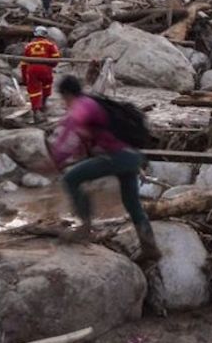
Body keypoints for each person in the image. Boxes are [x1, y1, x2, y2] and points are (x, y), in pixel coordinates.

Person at [50, 76, 161, 262]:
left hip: (118, 157)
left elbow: (72, 125)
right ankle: (150, 247)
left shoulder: (83, 105)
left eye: (63, 98)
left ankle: (85, 227)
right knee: (132, 203)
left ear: (67, 94)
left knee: (71, 178)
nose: (63, 103)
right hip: (132, 157)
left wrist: (57, 158)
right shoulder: (94, 102)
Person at [20, 26, 61, 123]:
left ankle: (36, 111)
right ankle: (44, 103)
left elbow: (24, 63)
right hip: (46, 69)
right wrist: (51, 65)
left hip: (32, 69)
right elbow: (55, 59)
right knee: (47, 85)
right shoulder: (50, 45)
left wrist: (24, 78)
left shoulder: (29, 46)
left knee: (34, 90)